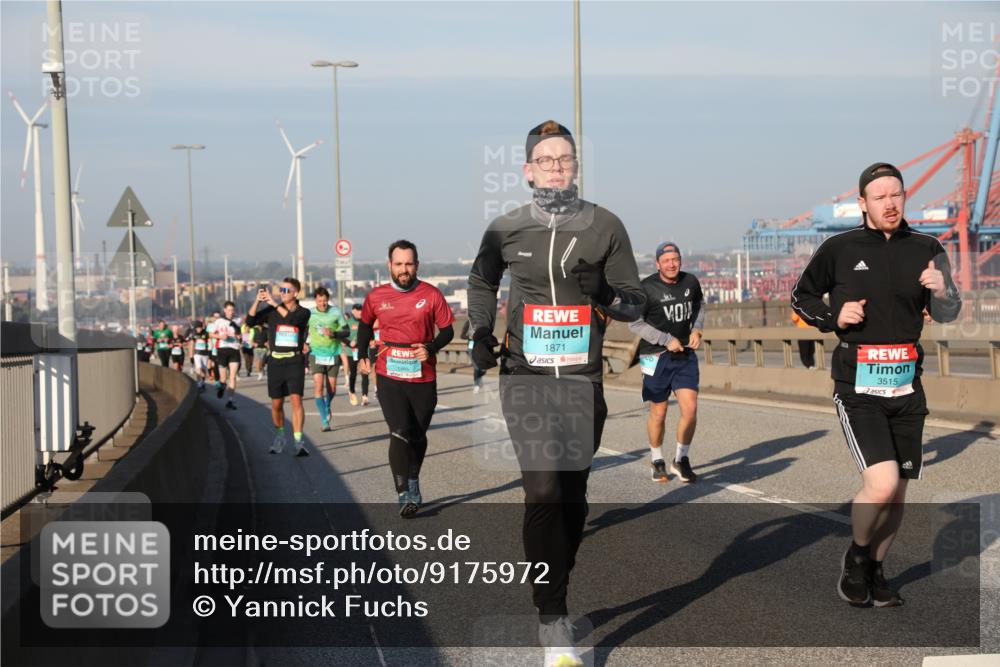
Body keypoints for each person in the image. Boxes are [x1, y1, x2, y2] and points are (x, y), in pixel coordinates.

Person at [467, 121, 645, 667]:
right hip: (524, 374)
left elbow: (637, 304)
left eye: (563, 159)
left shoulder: (606, 226)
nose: (555, 168)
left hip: (581, 379)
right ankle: (553, 618)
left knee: (571, 496)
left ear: (575, 166)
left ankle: (557, 571)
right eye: (544, 160)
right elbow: (481, 280)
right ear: (526, 170)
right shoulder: (505, 228)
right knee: (542, 489)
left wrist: (608, 294)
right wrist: (479, 331)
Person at [791, 162, 961, 608]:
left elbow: (948, 312)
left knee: (899, 493)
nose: (890, 203)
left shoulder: (927, 247)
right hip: (858, 385)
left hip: (906, 387)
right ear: (862, 203)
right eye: (880, 196)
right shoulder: (839, 248)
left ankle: (878, 569)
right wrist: (833, 317)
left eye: (897, 194)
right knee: (881, 485)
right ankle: (858, 556)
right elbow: (801, 296)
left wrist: (943, 291)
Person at [357, 240, 454, 517]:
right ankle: (403, 494)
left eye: (409, 264)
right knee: (399, 431)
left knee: (418, 434)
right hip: (389, 372)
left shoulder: (432, 294)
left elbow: (447, 330)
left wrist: (432, 347)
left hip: (423, 374)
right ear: (389, 265)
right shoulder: (376, 296)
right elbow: (364, 325)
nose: (404, 269)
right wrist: (361, 355)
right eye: (398, 264)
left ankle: (413, 477)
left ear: (417, 265)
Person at [628, 242, 704, 483]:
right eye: (667, 260)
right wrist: (665, 339)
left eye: (676, 259)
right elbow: (634, 323)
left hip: (684, 355)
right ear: (658, 264)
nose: (672, 264)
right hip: (654, 356)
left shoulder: (690, 282)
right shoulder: (646, 288)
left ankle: (681, 460)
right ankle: (657, 459)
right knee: (659, 412)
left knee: (690, 409)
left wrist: (697, 329)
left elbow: (700, 305)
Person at [246, 278, 312, 456]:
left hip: (294, 361)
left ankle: (298, 441)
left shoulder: (303, 312)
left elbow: (290, 320)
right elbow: (250, 321)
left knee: (296, 400)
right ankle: (280, 436)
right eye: (281, 290)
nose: (283, 293)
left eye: (286, 290)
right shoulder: (271, 311)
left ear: (295, 293)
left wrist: (274, 303)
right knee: (276, 404)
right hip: (275, 362)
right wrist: (257, 301)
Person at [306, 286, 351, 432]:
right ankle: (325, 420)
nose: (322, 304)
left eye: (325, 301)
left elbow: (346, 331)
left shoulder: (335, 312)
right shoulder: (310, 314)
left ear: (328, 300)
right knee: (318, 387)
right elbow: (303, 330)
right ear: (315, 301)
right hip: (316, 354)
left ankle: (327, 405)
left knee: (331, 388)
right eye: (319, 301)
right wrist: (303, 344)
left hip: (333, 353)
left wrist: (334, 334)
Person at [211, 301, 242, 410]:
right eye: (229, 310)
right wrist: (220, 337)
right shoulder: (219, 321)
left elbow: (239, 335)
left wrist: (239, 336)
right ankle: (222, 387)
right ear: (224, 310)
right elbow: (210, 334)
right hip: (222, 349)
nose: (231, 312)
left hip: (234, 349)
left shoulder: (238, 320)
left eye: (232, 310)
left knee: (232, 376)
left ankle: (230, 401)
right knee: (223, 379)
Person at [346, 304, 369, 406]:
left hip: (364, 351)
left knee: (365, 373)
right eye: (358, 310)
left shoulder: (366, 321)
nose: (360, 312)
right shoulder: (348, 322)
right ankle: (352, 391)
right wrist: (349, 343)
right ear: (353, 311)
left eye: (361, 310)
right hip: (352, 352)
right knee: (353, 373)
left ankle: (365, 396)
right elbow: (342, 336)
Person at [460, 318, 487, 393]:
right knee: (476, 367)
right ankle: (476, 385)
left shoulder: (483, 321)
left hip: (482, 347)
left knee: (483, 368)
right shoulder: (468, 323)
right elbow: (462, 336)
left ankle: (479, 378)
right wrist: (470, 337)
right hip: (471, 348)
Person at [187, 320, 212, 392]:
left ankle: (202, 383)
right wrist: (191, 355)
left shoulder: (206, 333)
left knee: (203, 370)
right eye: (197, 328)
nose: (198, 329)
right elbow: (191, 344)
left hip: (205, 354)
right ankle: (198, 384)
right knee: (198, 368)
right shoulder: (193, 334)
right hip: (197, 354)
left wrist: (210, 351)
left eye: (200, 328)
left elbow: (210, 342)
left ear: (202, 327)